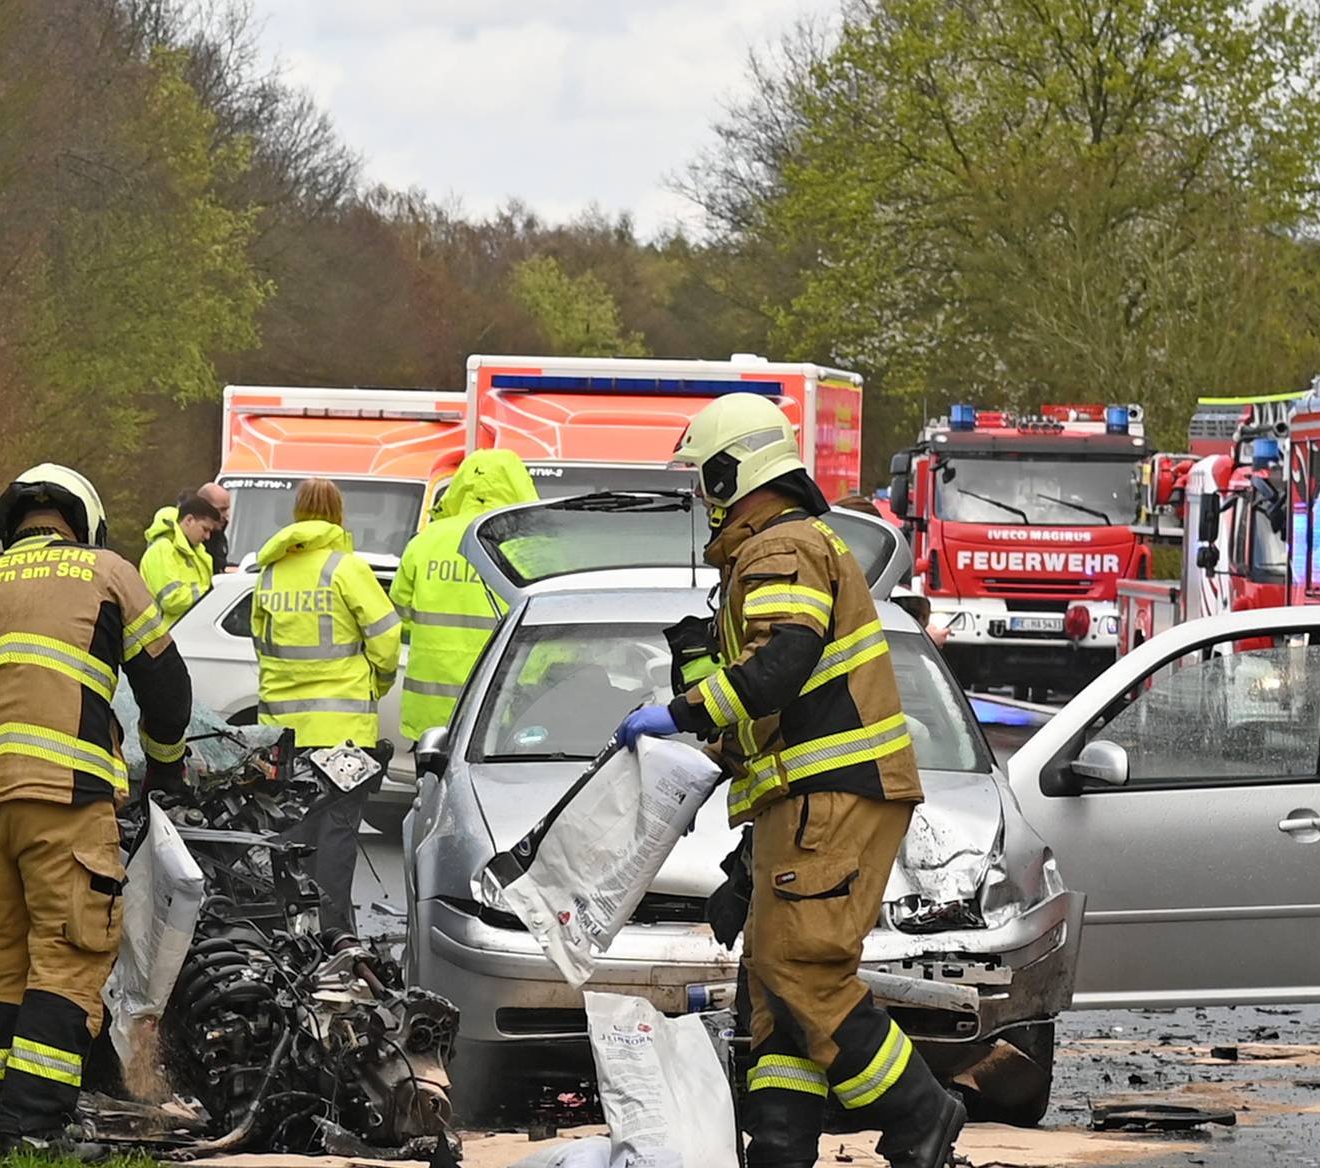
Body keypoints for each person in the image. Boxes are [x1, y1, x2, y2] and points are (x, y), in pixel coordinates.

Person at [611, 393, 964, 1168]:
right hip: (804, 800)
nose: (701, 498)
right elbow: (775, 701)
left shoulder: (781, 550)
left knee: (803, 969)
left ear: (736, 471)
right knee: (771, 993)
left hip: (832, 796)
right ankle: (778, 1149)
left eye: (705, 479)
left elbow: (779, 669)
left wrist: (680, 710)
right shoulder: (782, 549)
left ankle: (921, 1115)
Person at [0, 464, 193, 1156]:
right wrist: (166, 771)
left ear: (7, 529)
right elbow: (168, 690)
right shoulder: (109, 574)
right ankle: (32, 1134)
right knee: (68, 962)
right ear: (83, 525)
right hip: (70, 803)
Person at [250, 477, 401, 939]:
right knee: (337, 833)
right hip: (344, 733)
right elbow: (387, 635)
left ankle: (288, 933)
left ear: (296, 513)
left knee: (293, 832)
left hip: (282, 732)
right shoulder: (345, 568)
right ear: (339, 514)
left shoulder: (270, 573)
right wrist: (376, 681)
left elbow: (262, 643)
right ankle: (335, 936)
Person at [389, 449, 539, 737]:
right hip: (498, 708)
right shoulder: (527, 545)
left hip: (431, 712)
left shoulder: (426, 541)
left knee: (428, 781)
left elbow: (400, 615)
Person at [141, 484, 230, 626]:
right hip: (167, 637)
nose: (207, 537)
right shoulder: (161, 550)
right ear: (189, 520)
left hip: (186, 634)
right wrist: (211, 595)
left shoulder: (199, 552)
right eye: (205, 529)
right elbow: (170, 599)